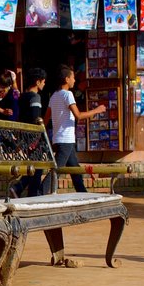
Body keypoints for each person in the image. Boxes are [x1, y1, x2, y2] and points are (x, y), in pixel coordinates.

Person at [44, 65, 106, 193]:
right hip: (65, 139)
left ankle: (82, 192)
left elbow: (45, 120)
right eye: (73, 78)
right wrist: (96, 110)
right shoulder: (68, 95)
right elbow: (78, 115)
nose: (74, 80)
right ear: (67, 79)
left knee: (74, 168)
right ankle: (41, 192)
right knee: (57, 169)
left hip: (58, 138)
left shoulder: (54, 96)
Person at [11, 67, 48, 197]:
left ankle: (24, 190)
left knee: (34, 166)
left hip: (24, 135)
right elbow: (36, 118)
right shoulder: (35, 97)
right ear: (37, 82)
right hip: (34, 137)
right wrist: (37, 137)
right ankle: (23, 189)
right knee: (37, 167)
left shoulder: (22, 97)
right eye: (43, 81)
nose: (44, 84)